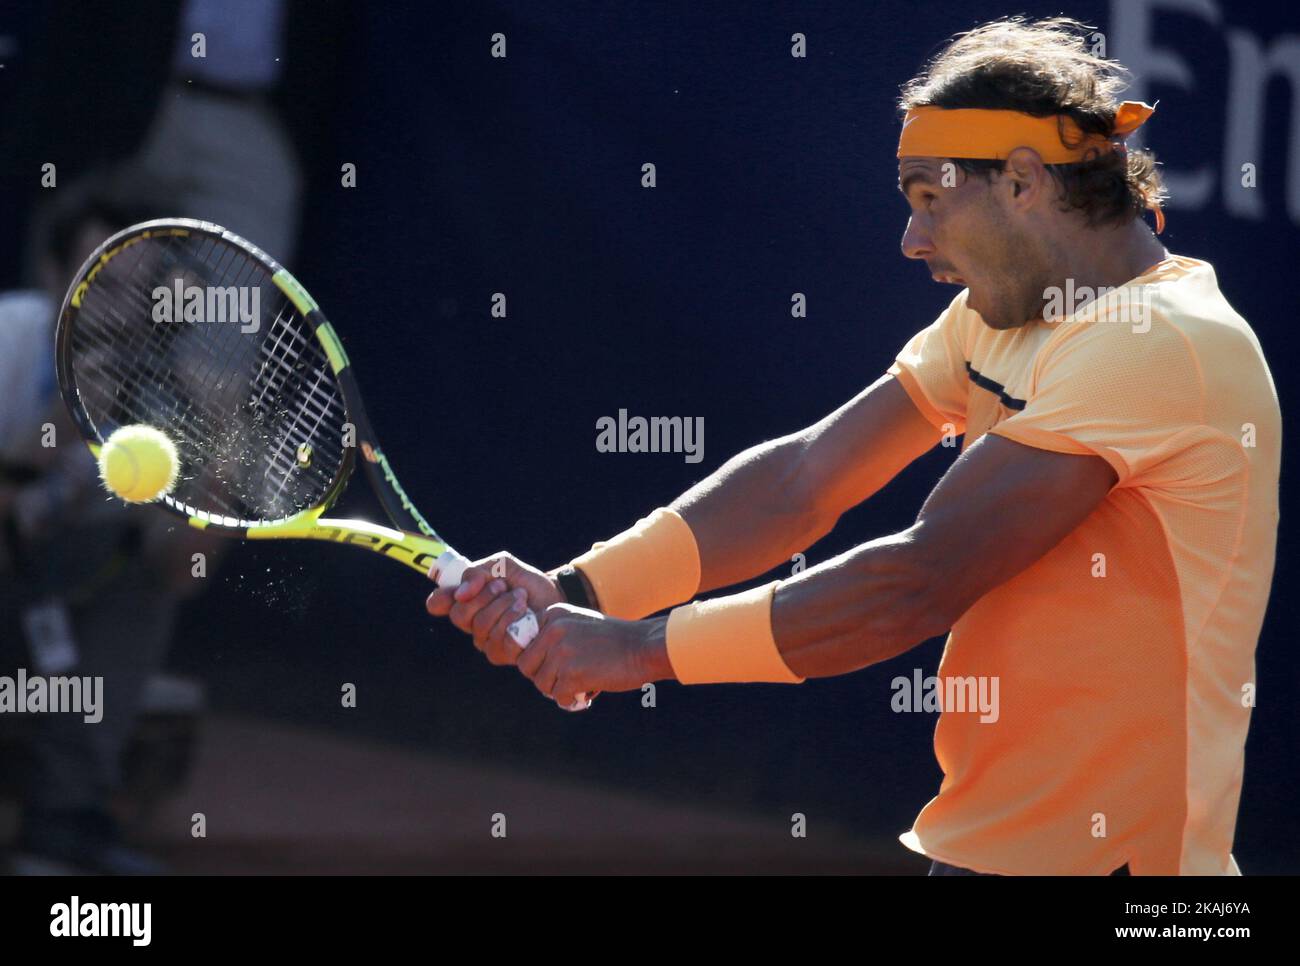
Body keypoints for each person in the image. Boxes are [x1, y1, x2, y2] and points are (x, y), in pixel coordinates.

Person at [425, 17, 1279, 876]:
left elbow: (914, 583)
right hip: (981, 851)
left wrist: (640, 649)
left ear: (1023, 181)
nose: (913, 241)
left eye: (929, 200)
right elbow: (802, 483)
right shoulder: (1005, 318)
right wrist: (582, 589)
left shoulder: (1159, 343)